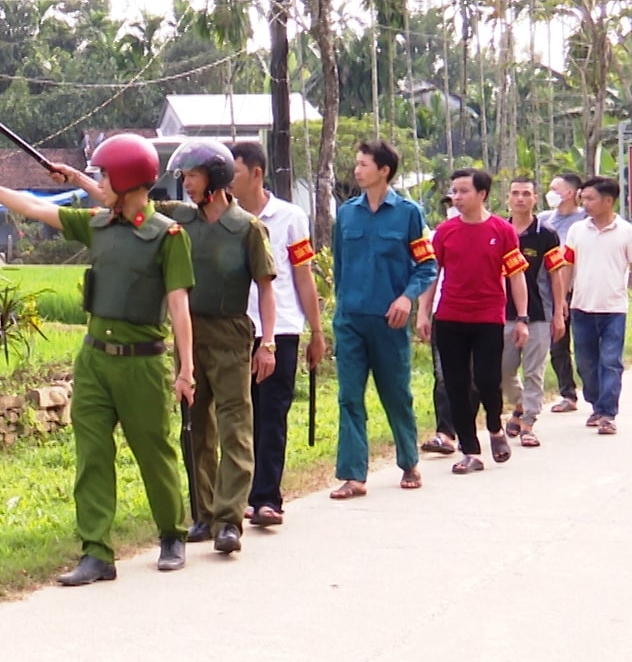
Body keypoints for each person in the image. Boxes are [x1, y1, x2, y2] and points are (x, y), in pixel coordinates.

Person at [0, 132, 196, 584]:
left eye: (104, 175)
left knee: (155, 452)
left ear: (124, 178)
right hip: (95, 361)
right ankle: (96, 551)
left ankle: (172, 535)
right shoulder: (96, 225)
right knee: (91, 455)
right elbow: (34, 206)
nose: (100, 182)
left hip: (144, 362)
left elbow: (179, 305)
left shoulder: (167, 236)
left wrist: (186, 370)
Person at [64, 139, 275, 556]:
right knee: (195, 429)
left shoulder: (247, 228)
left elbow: (267, 289)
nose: (186, 184)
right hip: (190, 334)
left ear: (213, 180)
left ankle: (229, 519)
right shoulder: (180, 219)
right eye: (184, 176)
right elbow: (127, 204)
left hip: (232, 335)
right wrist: (77, 179)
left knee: (236, 425)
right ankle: (203, 512)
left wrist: (267, 342)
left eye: (193, 176)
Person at [329, 139, 437, 500]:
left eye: (363, 164)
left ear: (383, 170)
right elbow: (339, 267)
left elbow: (427, 265)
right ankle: (353, 475)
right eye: (357, 163)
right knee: (349, 397)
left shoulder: (409, 213)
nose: (357, 170)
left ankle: (409, 461)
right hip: (350, 321)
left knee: (396, 394)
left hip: (390, 322)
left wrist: (407, 298)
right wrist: (340, 310)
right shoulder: (346, 213)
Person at [229, 141, 326, 528]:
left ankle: (267, 498)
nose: (228, 181)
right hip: (235, 327)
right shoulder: (225, 217)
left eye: (233, 172)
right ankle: (239, 495)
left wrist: (316, 331)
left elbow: (303, 277)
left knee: (272, 414)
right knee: (239, 416)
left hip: (281, 328)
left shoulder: (290, 217)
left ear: (256, 173)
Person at [415, 168, 531, 474]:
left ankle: (495, 427)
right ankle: (470, 450)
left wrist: (521, 318)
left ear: (482, 194)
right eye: (454, 191)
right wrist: (423, 312)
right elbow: (431, 274)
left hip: (488, 318)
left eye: (463, 191)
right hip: (450, 317)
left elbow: (517, 276)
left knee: (487, 380)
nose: (457, 197)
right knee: (455, 385)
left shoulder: (502, 231)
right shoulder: (444, 232)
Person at [562, 176, 632, 436]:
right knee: (586, 362)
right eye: (583, 198)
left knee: (611, 361)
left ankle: (608, 413)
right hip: (581, 307)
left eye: (590, 198)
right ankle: (596, 404)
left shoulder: (627, 232)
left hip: (614, 308)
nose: (584, 203)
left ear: (608, 201)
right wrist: (562, 300)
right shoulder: (577, 231)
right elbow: (568, 265)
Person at [501, 177, 569, 447]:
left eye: (526, 194)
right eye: (515, 193)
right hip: (501, 312)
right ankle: (519, 404)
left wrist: (559, 312)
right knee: (502, 370)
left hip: (539, 313)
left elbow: (555, 274)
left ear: (535, 198)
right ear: (508, 198)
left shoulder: (546, 233)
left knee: (534, 370)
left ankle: (529, 421)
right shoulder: (499, 229)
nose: (520, 199)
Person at [537, 171, 588, 412]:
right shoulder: (544, 220)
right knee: (557, 344)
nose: (550, 194)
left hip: (582, 290)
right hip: (552, 292)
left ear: (569, 193)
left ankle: (594, 390)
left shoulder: (586, 219)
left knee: (585, 345)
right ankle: (567, 393)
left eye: (554, 189)